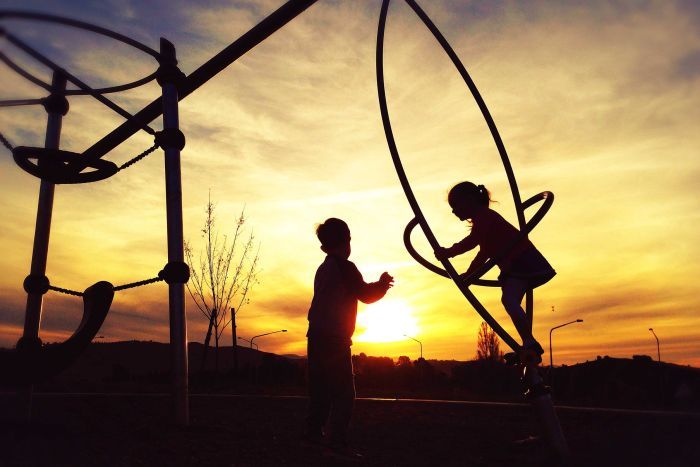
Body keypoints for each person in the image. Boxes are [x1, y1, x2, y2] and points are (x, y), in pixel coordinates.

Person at [435, 182, 555, 363]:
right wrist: (469, 274)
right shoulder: (483, 220)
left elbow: (473, 242)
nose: (454, 211)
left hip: (520, 263)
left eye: (455, 206)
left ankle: (529, 343)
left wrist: (448, 252)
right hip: (514, 266)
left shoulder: (484, 217)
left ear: (469, 201)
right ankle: (527, 344)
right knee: (510, 301)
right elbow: (484, 252)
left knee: (509, 301)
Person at [305, 218, 394, 457]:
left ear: (324, 246)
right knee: (344, 392)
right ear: (347, 241)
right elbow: (365, 294)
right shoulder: (345, 267)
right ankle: (337, 441)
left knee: (321, 389)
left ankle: (313, 433)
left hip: (316, 335)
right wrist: (383, 285)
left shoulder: (323, 268)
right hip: (335, 338)